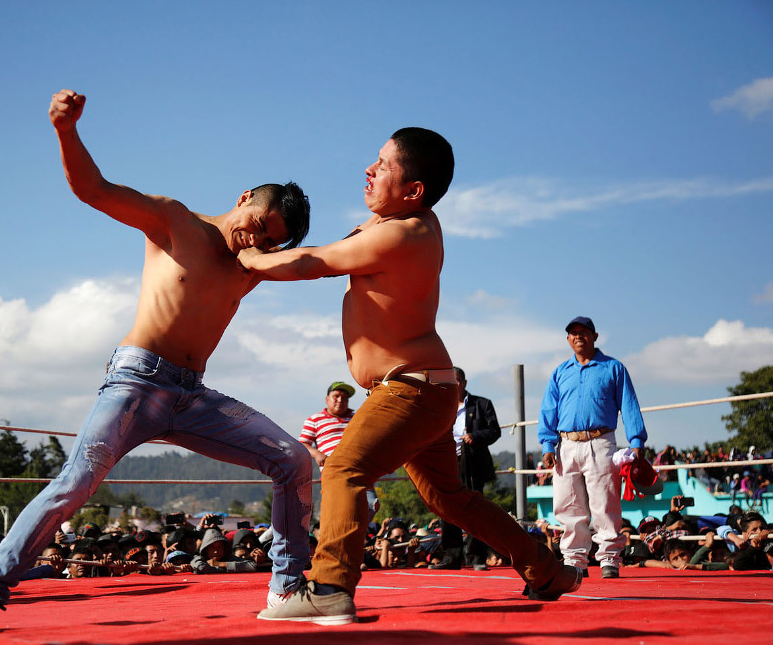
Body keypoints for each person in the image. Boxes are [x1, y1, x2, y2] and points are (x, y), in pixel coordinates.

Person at [0, 89, 314, 632]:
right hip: (136, 382)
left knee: (294, 459)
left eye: (269, 240)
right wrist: (65, 130)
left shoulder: (252, 265)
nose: (254, 238)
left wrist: (373, 237)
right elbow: (92, 190)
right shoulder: (175, 221)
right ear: (245, 197)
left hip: (193, 397)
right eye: (259, 223)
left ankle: (287, 588)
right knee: (76, 483)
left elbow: (319, 264)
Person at [243, 127, 580, 625]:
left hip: (412, 387)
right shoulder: (397, 224)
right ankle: (547, 569)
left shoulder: (405, 232)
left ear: (414, 191)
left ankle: (330, 587)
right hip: (427, 387)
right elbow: (330, 249)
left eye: (383, 165)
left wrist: (248, 256)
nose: (368, 170)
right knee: (450, 498)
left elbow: (314, 262)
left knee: (342, 469)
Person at [538, 316, 648, 580]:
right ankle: (575, 559)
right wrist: (547, 444)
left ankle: (609, 558)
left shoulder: (613, 368)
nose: (578, 337)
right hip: (566, 444)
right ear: (568, 340)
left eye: (583, 332)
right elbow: (548, 410)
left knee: (605, 501)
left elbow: (629, 404)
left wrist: (636, 442)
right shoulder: (560, 372)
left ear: (595, 336)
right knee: (568, 504)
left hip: (601, 441)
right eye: (573, 333)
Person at [438, 366, 502, 568]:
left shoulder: (481, 404)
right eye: (449, 380)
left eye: (456, 380)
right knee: (447, 508)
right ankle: (451, 556)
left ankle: (476, 556)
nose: (453, 384)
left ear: (464, 383)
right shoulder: (440, 406)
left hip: (472, 463)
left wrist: (475, 437)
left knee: (474, 508)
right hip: (447, 462)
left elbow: (494, 431)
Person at [299, 381, 379, 519]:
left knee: (371, 504)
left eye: (345, 398)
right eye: (336, 396)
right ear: (327, 399)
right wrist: (318, 454)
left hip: (360, 469)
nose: (340, 400)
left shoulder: (357, 418)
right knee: (340, 511)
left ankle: (358, 536)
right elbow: (302, 445)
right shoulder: (315, 419)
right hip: (334, 470)